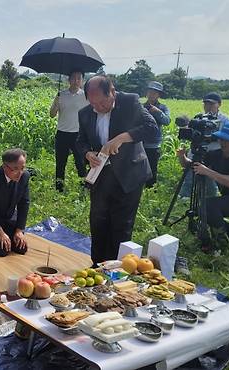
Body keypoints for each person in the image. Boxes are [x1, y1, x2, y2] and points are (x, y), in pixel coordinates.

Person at [77, 76, 157, 265]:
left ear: (112, 91)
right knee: (98, 220)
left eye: (102, 102)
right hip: (101, 175)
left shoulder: (129, 102)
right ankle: (97, 265)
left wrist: (122, 138)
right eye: (93, 103)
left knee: (121, 224)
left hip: (128, 174)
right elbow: (80, 141)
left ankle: (116, 268)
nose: (97, 107)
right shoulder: (85, 113)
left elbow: (151, 128)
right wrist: (88, 154)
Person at [177, 121, 229, 252]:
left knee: (208, 205)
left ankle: (221, 243)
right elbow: (194, 166)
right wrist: (182, 157)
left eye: (228, 140)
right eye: (222, 138)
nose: (223, 142)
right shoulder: (216, 154)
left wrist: (207, 171)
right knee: (201, 209)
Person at [178, 92, 229, 198]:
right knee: (189, 176)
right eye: (206, 104)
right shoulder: (199, 118)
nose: (208, 106)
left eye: (211, 104)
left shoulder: (225, 119)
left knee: (210, 180)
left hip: (214, 154)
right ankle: (184, 198)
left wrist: (211, 137)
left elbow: (227, 138)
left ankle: (211, 200)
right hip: (197, 151)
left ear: (219, 104)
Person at [49, 71, 89, 192]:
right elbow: (52, 114)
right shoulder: (61, 95)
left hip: (79, 134)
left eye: (79, 78)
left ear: (82, 81)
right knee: (60, 162)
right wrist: (56, 103)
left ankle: (84, 187)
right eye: (74, 78)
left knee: (81, 162)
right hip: (62, 133)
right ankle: (59, 188)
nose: (76, 81)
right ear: (69, 80)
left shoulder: (85, 96)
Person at [142, 81, 171, 187]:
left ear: (159, 95)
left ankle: (151, 189)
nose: (151, 95)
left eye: (154, 93)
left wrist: (158, 112)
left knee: (152, 168)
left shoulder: (163, 108)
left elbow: (167, 121)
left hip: (154, 144)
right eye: (150, 92)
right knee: (139, 168)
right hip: (140, 142)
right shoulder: (141, 106)